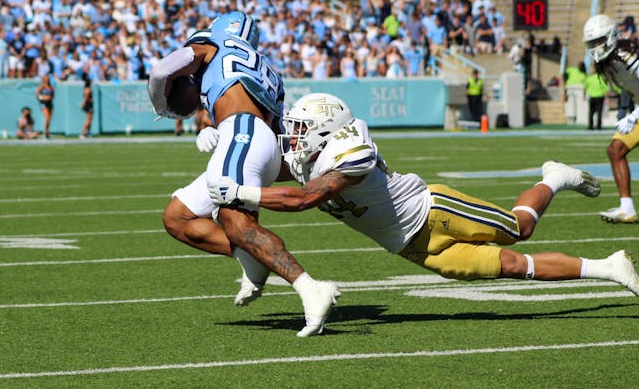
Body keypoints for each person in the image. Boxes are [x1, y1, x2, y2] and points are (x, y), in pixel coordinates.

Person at [208, 93, 639, 297]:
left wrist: (241, 190)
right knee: (511, 267)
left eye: (301, 129)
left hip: (433, 211)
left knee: (519, 229)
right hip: (411, 247)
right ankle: (609, 268)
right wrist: (223, 138)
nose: (293, 137)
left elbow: (302, 200)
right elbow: (264, 159)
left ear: (325, 129)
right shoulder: (309, 154)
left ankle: (555, 176)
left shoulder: (350, 153)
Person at [148, 11, 339, 337]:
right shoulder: (265, 68)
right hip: (254, 139)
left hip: (243, 133)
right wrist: (216, 128)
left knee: (237, 223)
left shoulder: (210, 42)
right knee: (178, 217)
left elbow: (161, 71)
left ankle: (310, 288)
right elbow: (255, 115)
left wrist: (161, 107)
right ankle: (252, 257)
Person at [583, 14, 639, 222]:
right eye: (592, 43)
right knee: (616, 150)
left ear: (611, 37)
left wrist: (633, 116)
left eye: (599, 41)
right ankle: (627, 208)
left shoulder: (629, 54)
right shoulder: (608, 64)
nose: (596, 47)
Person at [36, 74, 54, 139]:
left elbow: (52, 96)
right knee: (47, 117)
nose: (47, 80)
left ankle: (47, 132)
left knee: (49, 119)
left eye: (48, 79)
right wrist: (42, 98)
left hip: (50, 104)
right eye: (46, 78)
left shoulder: (51, 87)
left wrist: (49, 98)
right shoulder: (41, 86)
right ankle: (45, 133)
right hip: (44, 104)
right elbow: (37, 95)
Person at [80, 74, 94, 139]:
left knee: (90, 120)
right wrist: (83, 104)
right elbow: (86, 98)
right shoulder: (88, 89)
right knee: (88, 120)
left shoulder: (87, 89)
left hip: (89, 104)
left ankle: (87, 133)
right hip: (88, 105)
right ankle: (83, 133)